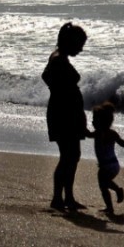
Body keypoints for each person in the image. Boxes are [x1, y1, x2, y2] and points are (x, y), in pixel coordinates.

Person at [41, 22, 91, 211]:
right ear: (70, 42)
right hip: (64, 114)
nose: (81, 49)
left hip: (62, 112)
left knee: (71, 156)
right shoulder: (59, 59)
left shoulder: (58, 57)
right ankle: (59, 198)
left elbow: (46, 77)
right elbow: (50, 80)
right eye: (80, 44)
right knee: (69, 156)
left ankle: (66, 197)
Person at [92, 102, 124, 213]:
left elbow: (87, 134)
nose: (92, 121)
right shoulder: (113, 133)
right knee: (105, 184)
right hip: (114, 165)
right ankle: (110, 206)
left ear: (101, 121)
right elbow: (122, 143)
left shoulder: (98, 133)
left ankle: (116, 193)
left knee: (103, 185)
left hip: (106, 166)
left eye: (94, 119)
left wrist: (80, 128)